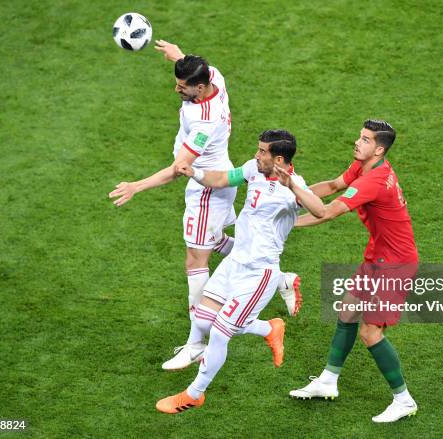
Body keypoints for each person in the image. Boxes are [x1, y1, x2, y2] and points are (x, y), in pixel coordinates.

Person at [108, 41, 302, 371]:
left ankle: (195, 344)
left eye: (182, 87)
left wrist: (136, 186)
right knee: (214, 243)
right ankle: (282, 279)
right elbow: (199, 69)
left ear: (199, 88)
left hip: (206, 190)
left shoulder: (204, 122)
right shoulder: (215, 78)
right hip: (220, 174)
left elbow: (177, 170)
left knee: (195, 261)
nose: (176, 89)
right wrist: (178, 54)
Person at [155, 129, 325, 414]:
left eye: (262, 151)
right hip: (234, 263)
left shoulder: (293, 187)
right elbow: (222, 178)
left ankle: (194, 394)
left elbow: (320, 210)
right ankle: (269, 328)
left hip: (259, 274)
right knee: (203, 319)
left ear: (279, 158)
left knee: (221, 332)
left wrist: (294, 187)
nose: (256, 155)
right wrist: (194, 172)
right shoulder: (253, 169)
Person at [288, 119, 420, 423]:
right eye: (360, 137)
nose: (357, 142)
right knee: (347, 312)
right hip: (378, 256)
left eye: (365, 139)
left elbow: (327, 211)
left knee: (370, 332)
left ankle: (404, 400)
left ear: (379, 149)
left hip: (396, 264)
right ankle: (328, 381)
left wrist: (284, 224)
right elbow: (334, 186)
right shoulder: (366, 167)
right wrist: (296, 194)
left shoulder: (373, 181)